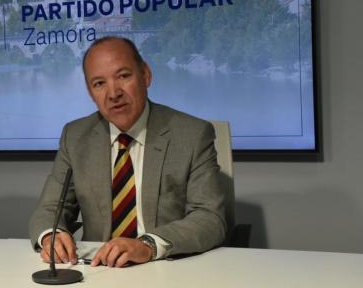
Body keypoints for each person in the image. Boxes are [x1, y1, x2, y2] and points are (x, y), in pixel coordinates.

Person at [29, 36, 227, 267]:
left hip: (165, 268)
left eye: (123, 76)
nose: (113, 94)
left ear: (146, 75)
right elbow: (50, 209)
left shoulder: (192, 134)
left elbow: (210, 218)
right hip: (98, 271)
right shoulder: (75, 137)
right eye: (99, 84)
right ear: (90, 93)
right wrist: (51, 236)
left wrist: (148, 245)